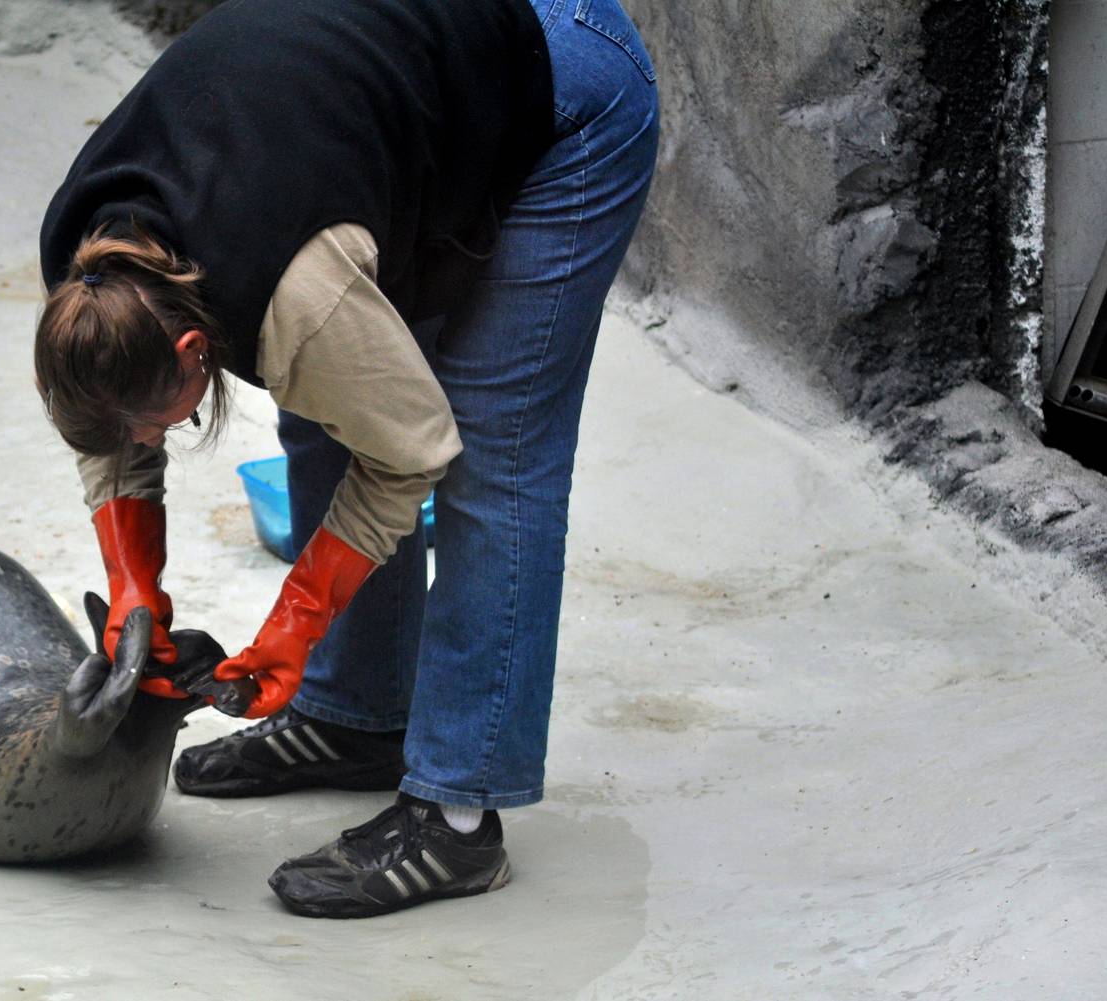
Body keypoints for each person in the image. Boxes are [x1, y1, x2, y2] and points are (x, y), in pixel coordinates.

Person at [35, 0, 657, 918]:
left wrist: (294, 622)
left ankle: (456, 818)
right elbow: (107, 423)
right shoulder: (89, 271)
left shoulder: (295, 291)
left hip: (568, 83)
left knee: (491, 455)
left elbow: (410, 454)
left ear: (191, 355)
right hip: (376, 85)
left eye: (156, 425)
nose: (144, 446)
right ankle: (355, 714)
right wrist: (135, 588)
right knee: (327, 408)